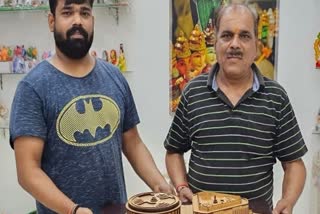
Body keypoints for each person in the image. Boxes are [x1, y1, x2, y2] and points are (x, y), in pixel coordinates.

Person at [10, 0, 172, 213]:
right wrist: (73, 210)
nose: (77, 20)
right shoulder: (33, 87)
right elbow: (28, 171)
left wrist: (159, 185)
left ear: (92, 21)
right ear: (52, 21)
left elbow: (133, 143)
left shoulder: (114, 77)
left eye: (84, 13)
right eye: (67, 12)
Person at [164, 3, 307, 214]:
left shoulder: (276, 97)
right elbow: (174, 150)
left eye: (245, 36)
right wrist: (181, 185)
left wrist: (288, 201)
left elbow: (294, 163)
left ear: (256, 45)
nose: (235, 44)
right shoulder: (193, 92)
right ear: (215, 41)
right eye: (227, 35)